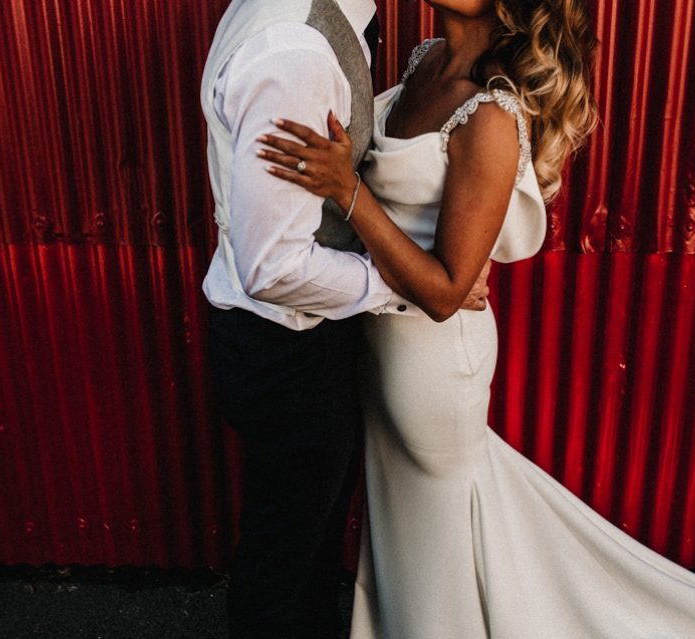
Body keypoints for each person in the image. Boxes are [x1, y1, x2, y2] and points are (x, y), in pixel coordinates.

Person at [257, 0, 695, 637]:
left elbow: (443, 294)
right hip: (376, 342)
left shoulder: (491, 114)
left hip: (429, 367)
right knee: (410, 530)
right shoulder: (425, 61)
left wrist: (346, 192)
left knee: (434, 543)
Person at [199, 1, 488, 638]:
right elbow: (275, 268)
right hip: (287, 346)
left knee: (304, 550)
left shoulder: (310, 18)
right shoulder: (296, 50)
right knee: (286, 564)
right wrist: (404, 284)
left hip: (289, 340)